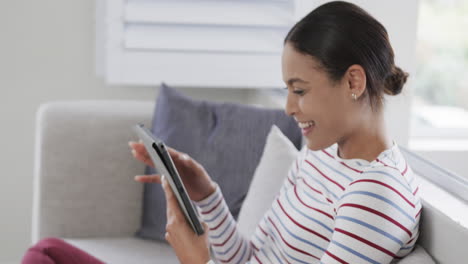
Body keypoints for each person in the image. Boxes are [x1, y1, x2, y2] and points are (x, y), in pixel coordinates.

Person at [22, 1, 421, 263]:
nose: (288, 107)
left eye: (299, 90)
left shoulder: (375, 192)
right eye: (288, 91)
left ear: (353, 82)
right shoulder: (319, 155)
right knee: (48, 251)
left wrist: (197, 260)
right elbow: (249, 256)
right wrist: (206, 194)